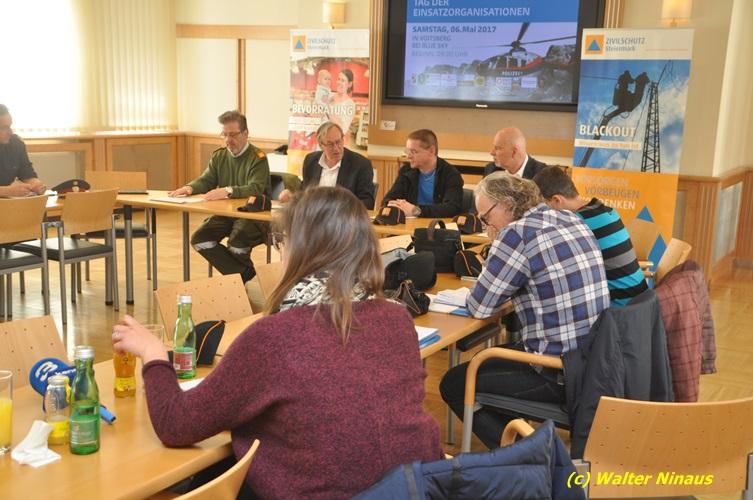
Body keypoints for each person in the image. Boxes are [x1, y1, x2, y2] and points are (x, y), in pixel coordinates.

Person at [112, 186, 443, 499]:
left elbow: (175, 423)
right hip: (411, 489)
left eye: (283, 241)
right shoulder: (397, 318)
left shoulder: (275, 337)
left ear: (300, 250)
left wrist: (154, 354)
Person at [440, 172, 610, 449]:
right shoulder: (569, 218)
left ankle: (528, 455)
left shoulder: (516, 234)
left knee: (454, 383)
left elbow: (480, 307)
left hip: (557, 373)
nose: (485, 226)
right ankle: (526, 443)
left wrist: (496, 248)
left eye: (486, 217)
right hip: (593, 363)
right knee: (490, 360)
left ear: (507, 204)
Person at [168, 110, 270, 282]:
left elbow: (256, 188)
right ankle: (244, 273)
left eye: (233, 135)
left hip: (252, 216)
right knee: (200, 239)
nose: (228, 140)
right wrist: (189, 188)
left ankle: (237, 279)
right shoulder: (219, 156)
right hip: (226, 214)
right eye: (225, 135)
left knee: (237, 242)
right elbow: (207, 180)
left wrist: (228, 191)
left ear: (245, 133)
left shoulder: (258, 158)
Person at [533, 166, 648, 306]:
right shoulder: (604, 210)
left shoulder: (577, 223)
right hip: (641, 304)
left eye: (543, 208)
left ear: (557, 200)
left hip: (618, 310)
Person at [278, 122, 374, 209]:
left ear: (343, 139)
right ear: (321, 145)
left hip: (344, 219)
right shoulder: (311, 161)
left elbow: (368, 202)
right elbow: (304, 193)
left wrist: (340, 208)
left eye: (338, 142)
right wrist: (292, 197)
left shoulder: (361, 164)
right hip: (313, 216)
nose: (336, 148)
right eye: (330, 144)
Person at [381, 129, 463, 218]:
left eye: (413, 152)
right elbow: (388, 200)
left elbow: (451, 208)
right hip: (409, 224)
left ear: (431, 151)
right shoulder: (406, 171)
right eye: (407, 151)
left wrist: (416, 210)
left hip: (436, 224)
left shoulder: (451, 175)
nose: (409, 156)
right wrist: (393, 205)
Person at [0, 104, 46, 197]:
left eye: (10, 126)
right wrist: (6, 191)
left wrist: (35, 184)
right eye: (4, 128)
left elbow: (27, 174)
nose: (10, 132)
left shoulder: (16, 144)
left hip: (8, 202)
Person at [483, 127, 547, 179]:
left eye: (497, 148)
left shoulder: (542, 174)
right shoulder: (491, 170)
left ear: (514, 152)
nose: (492, 152)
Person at [328, 69, 357, 143]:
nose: (339, 82)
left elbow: (342, 128)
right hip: (321, 138)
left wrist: (327, 108)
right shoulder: (329, 95)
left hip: (334, 142)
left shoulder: (350, 104)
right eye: (338, 79)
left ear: (350, 84)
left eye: (343, 80)